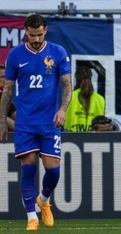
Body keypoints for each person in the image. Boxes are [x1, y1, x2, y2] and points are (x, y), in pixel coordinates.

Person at [0, 14, 72, 231]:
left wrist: (62, 109)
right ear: (25, 32)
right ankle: (32, 216)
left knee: (53, 171)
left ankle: (44, 200)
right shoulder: (15, 55)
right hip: (25, 123)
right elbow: (8, 90)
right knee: (28, 167)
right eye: (32, 35)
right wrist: (2, 120)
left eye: (40, 35)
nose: (36, 39)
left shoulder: (58, 52)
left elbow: (67, 85)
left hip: (50, 122)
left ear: (45, 31)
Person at [64, 65, 106, 132]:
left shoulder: (69, 96)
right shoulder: (100, 99)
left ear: (76, 78)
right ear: (91, 78)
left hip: (71, 139)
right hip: (93, 140)